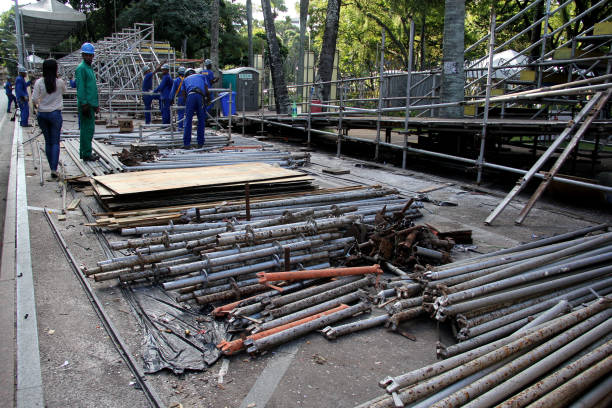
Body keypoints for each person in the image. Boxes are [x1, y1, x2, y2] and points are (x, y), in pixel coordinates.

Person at [32, 59, 67, 179]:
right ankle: (54, 168)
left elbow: (34, 99)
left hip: (42, 114)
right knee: (55, 141)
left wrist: (40, 105)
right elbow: (64, 91)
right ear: (55, 69)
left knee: (48, 141)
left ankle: (51, 166)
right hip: (55, 114)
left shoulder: (39, 83)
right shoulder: (60, 82)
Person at [75, 42, 100, 161]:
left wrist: (96, 104)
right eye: (87, 55)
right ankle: (86, 153)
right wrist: (84, 103)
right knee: (86, 130)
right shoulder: (81, 69)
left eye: (91, 55)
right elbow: (81, 88)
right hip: (85, 105)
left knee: (90, 129)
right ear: (83, 55)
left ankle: (87, 151)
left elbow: (92, 88)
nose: (89, 57)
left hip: (90, 104)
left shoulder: (89, 68)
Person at [182, 68, 209, 149]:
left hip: (191, 95)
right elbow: (206, 88)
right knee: (201, 120)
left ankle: (186, 144)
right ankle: (200, 143)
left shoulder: (185, 79)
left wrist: (187, 103)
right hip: (200, 96)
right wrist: (208, 99)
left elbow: (183, 93)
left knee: (188, 120)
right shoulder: (201, 76)